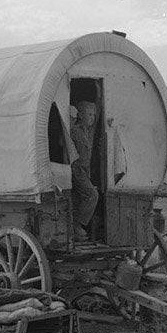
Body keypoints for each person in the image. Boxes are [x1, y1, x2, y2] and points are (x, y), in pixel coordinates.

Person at [70, 99, 99, 241]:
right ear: (80, 115)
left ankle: (77, 227)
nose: (92, 118)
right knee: (92, 195)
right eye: (89, 114)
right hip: (77, 170)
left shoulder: (88, 132)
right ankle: (76, 226)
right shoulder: (74, 131)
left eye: (93, 115)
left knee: (82, 197)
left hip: (85, 171)